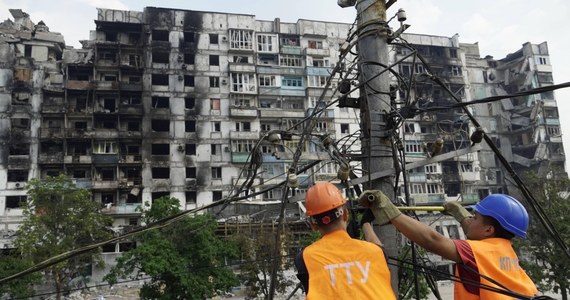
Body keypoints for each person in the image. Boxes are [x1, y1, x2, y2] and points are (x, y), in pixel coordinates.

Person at [359, 190, 539, 300]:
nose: (470, 220)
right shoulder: (506, 251)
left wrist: (388, 210)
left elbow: (433, 240)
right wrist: (460, 215)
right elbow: (475, 230)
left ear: (488, 230)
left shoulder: (477, 251)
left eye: (475, 218)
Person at [294, 182, 396, 299]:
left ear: (313, 225)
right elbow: (379, 249)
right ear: (345, 215)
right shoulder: (375, 252)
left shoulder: (305, 258)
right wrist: (366, 223)